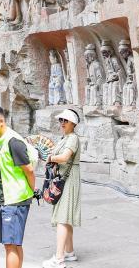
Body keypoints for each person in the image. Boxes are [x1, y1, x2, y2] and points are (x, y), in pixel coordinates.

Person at [0, 106, 35, 268]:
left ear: (1, 121)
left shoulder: (13, 141)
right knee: (15, 243)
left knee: (10, 245)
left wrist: (32, 192)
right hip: (10, 197)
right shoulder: (3, 140)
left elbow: (29, 170)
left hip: (14, 199)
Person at [41, 110, 82, 268]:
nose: (63, 123)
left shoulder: (72, 138)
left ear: (73, 124)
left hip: (68, 179)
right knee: (66, 217)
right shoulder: (65, 138)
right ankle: (69, 252)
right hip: (65, 178)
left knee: (62, 218)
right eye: (61, 120)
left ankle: (59, 259)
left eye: (66, 120)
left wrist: (50, 158)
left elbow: (65, 157)